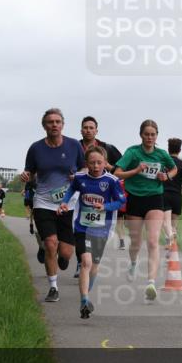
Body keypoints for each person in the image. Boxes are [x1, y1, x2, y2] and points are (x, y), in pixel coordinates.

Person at [20, 108, 86, 303]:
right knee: (51, 244)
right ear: (44, 126)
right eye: (50, 122)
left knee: (65, 253)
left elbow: (83, 167)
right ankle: (53, 287)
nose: (54, 125)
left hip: (68, 203)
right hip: (44, 202)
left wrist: (79, 175)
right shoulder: (36, 148)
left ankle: (59, 256)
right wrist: (26, 176)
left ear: (63, 125)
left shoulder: (74, 145)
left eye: (58, 121)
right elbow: (29, 173)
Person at [57, 147, 126, 319]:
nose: (96, 166)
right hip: (82, 227)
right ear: (86, 164)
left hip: (102, 228)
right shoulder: (80, 178)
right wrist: (65, 203)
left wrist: (105, 206)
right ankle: (84, 301)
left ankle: (86, 294)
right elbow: (71, 190)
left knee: (94, 265)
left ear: (105, 163)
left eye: (99, 163)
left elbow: (121, 201)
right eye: (92, 163)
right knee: (86, 262)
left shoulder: (111, 181)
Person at [114, 119, 177, 301]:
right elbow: (117, 173)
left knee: (152, 241)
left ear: (157, 136)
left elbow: (173, 169)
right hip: (135, 199)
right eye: (146, 134)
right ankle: (133, 263)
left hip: (155, 199)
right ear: (141, 135)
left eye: (153, 134)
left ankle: (150, 282)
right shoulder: (133, 152)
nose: (150, 137)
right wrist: (135, 170)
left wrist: (166, 176)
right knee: (136, 243)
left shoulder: (161, 154)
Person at [76, 116, 122, 278]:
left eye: (91, 127)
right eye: (85, 127)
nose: (88, 130)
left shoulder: (107, 147)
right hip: (79, 189)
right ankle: (81, 259)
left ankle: (86, 260)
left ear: (96, 130)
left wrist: (108, 167)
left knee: (94, 224)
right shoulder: (75, 146)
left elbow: (120, 167)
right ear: (81, 130)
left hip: (100, 191)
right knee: (79, 225)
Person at [161, 137, 182, 243]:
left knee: (166, 223)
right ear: (180, 150)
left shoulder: (163, 162)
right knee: (174, 224)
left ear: (168, 149)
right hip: (176, 196)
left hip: (164, 194)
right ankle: (172, 245)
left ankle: (169, 241)